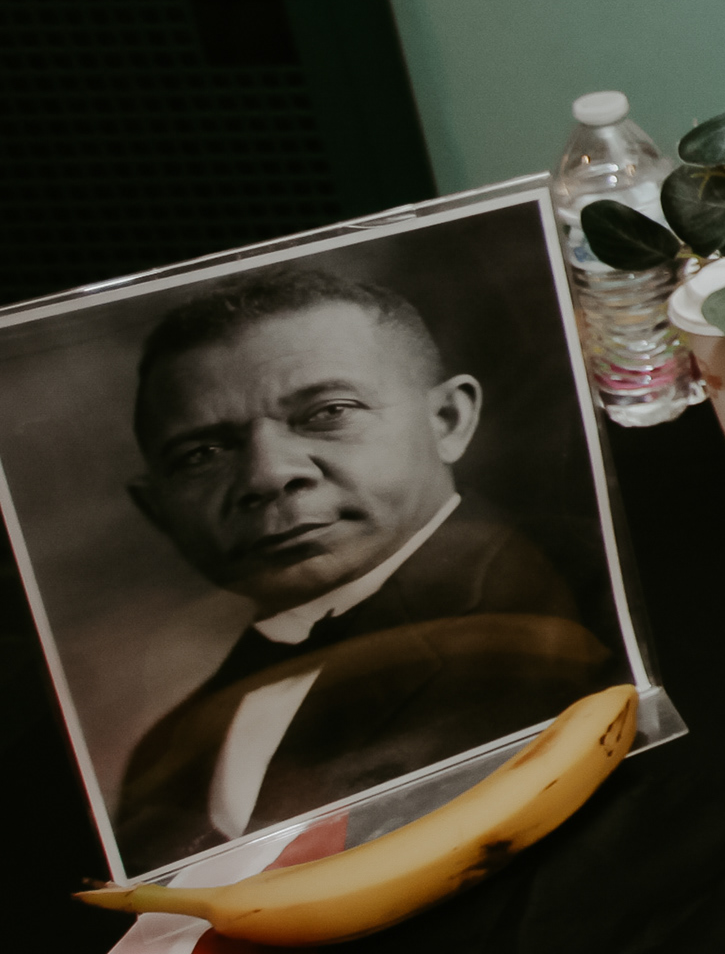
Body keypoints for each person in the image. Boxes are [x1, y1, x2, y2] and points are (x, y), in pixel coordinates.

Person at [115, 269, 622, 868]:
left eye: (329, 412)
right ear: (157, 509)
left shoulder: (597, 595)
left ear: (448, 420)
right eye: (201, 453)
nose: (268, 475)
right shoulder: (162, 756)